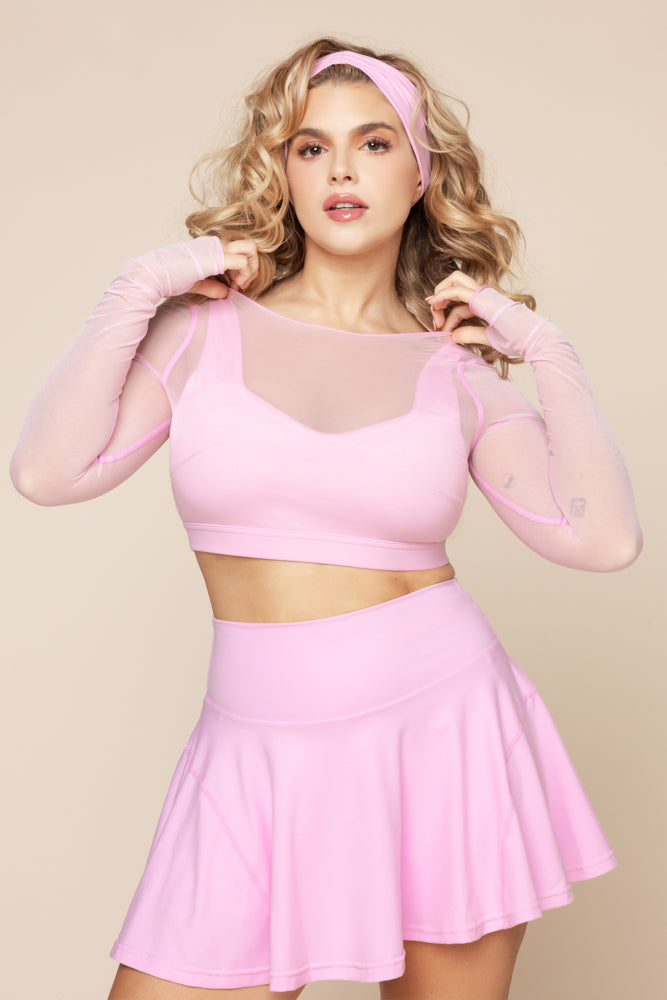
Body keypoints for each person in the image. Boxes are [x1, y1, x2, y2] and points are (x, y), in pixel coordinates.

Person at [10, 36, 642, 1000]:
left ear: (421, 174)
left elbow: (603, 540)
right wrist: (133, 291)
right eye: (311, 147)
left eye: (374, 143)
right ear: (286, 173)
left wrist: (551, 357)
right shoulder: (196, 334)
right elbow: (47, 473)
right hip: (252, 753)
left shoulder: (457, 375)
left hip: (444, 733)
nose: (341, 169)